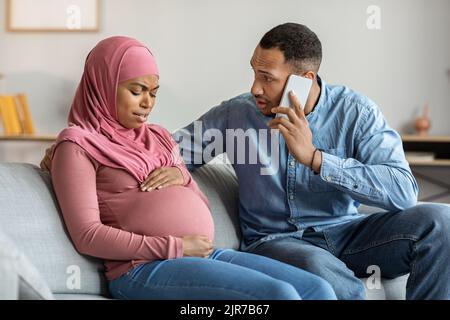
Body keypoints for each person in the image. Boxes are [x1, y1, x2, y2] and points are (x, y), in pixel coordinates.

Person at [42, 23, 450, 300]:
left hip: (349, 232)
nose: (254, 86)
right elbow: (164, 148)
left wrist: (317, 159)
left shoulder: (356, 113)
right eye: (254, 72)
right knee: (317, 269)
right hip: (278, 242)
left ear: (303, 80)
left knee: (441, 222)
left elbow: (403, 192)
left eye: (267, 77)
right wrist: (83, 148)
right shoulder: (238, 114)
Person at [48, 36, 336, 300]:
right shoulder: (77, 146)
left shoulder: (158, 137)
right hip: (143, 268)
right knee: (278, 295)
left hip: (205, 254)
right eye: (136, 91)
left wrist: (183, 176)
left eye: (153, 92)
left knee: (317, 288)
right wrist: (174, 247)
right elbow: (88, 236)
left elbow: (195, 196)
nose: (147, 103)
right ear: (103, 85)